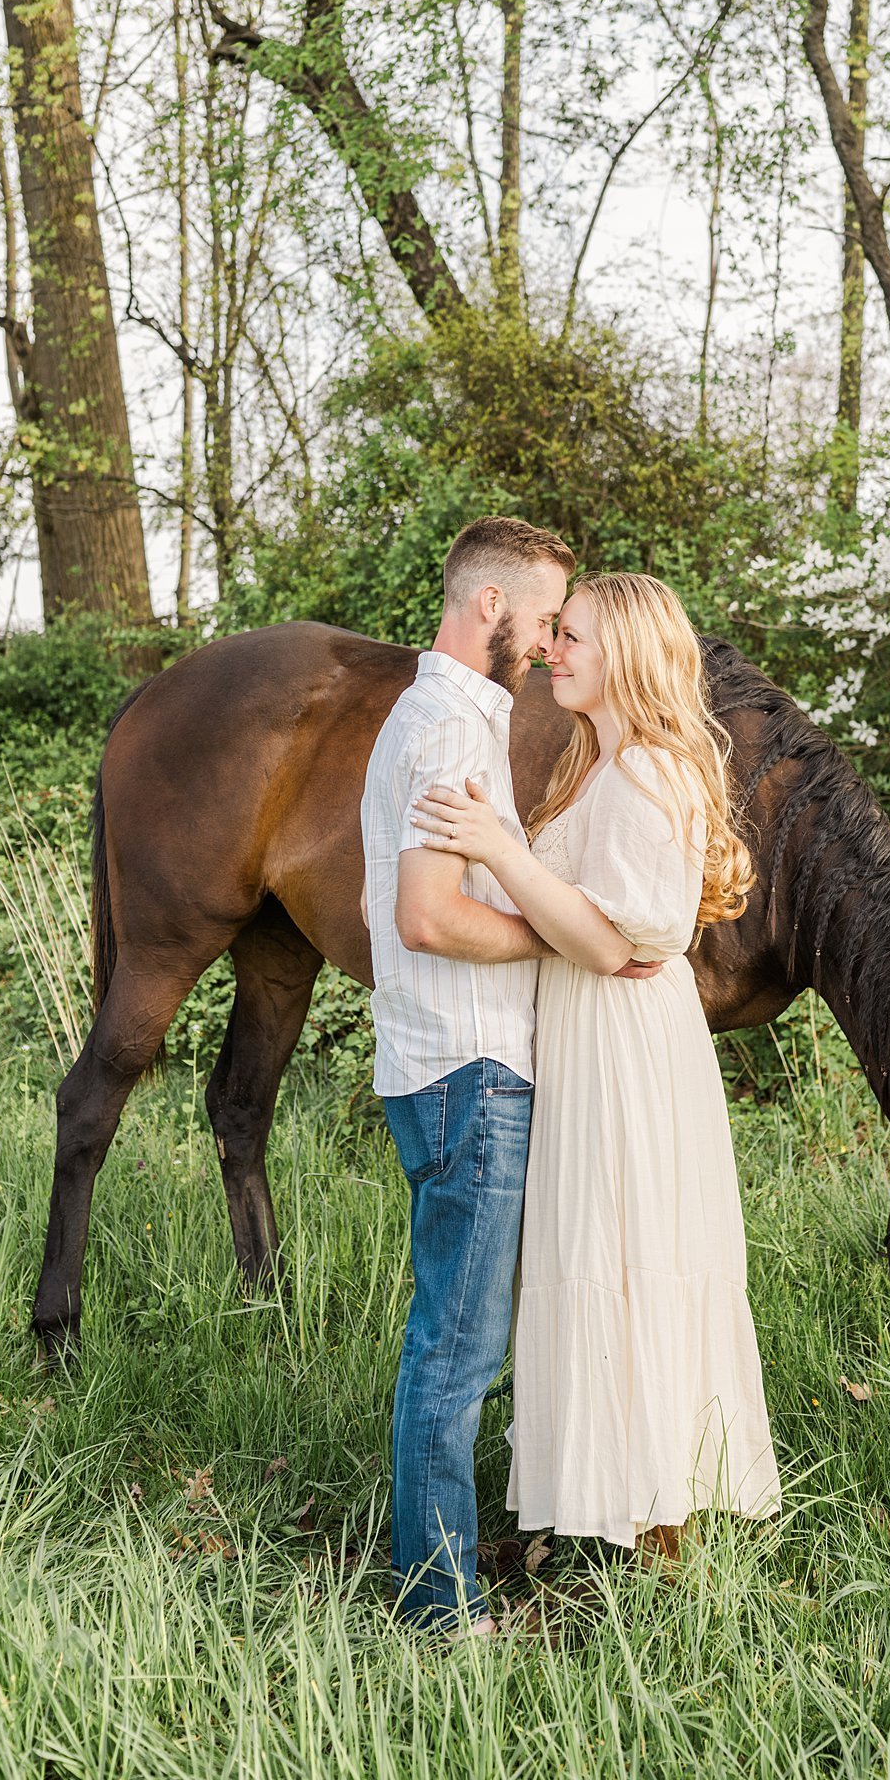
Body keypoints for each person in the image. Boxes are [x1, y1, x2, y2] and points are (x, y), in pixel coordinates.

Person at [412, 573, 781, 1557]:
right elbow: (579, 922)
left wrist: (501, 846)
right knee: (597, 1258)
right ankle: (618, 1509)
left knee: (628, 1258)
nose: (553, 652)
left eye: (574, 637)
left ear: (627, 654)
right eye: (557, 633)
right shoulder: (596, 767)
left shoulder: (650, 770)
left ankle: (664, 1529)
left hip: (624, 1044)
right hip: (591, 1030)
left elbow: (620, 937)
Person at [362, 517, 657, 1634]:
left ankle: (447, 1566)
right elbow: (426, 913)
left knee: (454, 1342)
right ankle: (441, 1608)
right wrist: (569, 933)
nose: (545, 643)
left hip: (444, 1064)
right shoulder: (446, 730)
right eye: (541, 619)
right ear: (491, 608)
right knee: (457, 1351)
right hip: (472, 1071)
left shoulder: (435, 719)